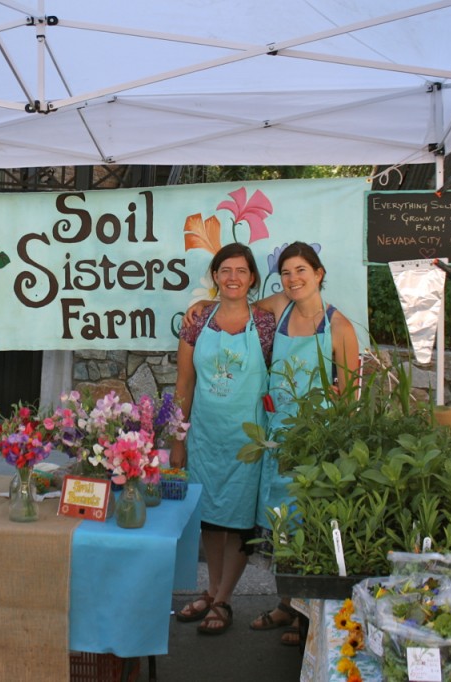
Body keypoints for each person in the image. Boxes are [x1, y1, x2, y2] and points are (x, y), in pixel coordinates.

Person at [183, 241, 361, 645]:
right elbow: (240, 299)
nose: (294, 279)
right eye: (287, 273)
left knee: (306, 525)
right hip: (273, 437)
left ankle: (304, 616)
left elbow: (350, 398)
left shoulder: (340, 327)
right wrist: (203, 307)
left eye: (302, 270)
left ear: (319, 273)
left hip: (313, 442)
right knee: (281, 526)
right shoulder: (279, 312)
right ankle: (286, 605)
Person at [171, 242, 276, 636]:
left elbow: (299, 291)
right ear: (214, 276)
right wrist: (178, 438)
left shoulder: (266, 322)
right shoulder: (196, 321)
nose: (233, 278)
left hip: (249, 438)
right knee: (211, 519)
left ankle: (225, 598)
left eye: (241, 271)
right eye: (225, 270)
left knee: (239, 521)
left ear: (252, 278)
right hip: (204, 436)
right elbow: (184, 383)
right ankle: (212, 589)